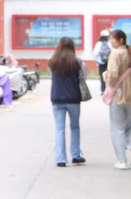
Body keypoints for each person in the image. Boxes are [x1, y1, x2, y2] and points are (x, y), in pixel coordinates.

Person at [102, 29, 131, 170]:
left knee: (118, 128)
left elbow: (112, 75)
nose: (110, 42)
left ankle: (122, 160)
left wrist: (105, 76)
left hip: (119, 96)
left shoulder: (115, 54)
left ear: (121, 40)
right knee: (130, 125)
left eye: (112, 39)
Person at [48, 37, 86, 168]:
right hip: (74, 99)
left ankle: (60, 159)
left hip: (57, 99)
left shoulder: (52, 62)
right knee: (75, 127)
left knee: (59, 129)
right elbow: (83, 77)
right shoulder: (77, 62)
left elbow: (52, 76)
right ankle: (76, 155)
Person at [93, 29, 113, 94]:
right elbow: (113, 52)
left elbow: (95, 53)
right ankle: (109, 90)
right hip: (109, 62)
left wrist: (97, 61)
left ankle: (103, 90)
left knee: (102, 77)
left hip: (101, 62)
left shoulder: (98, 44)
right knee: (109, 76)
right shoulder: (109, 43)